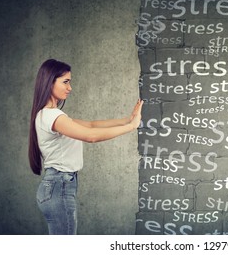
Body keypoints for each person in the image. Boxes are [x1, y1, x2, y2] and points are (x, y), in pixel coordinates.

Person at [28, 59, 143, 235]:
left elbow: (91, 125)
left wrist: (128, 119)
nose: (70, 88)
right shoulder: (52, 116)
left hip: (59, 186)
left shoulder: (51, 115)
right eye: (65, 82)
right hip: (59, 186)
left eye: (70, 82)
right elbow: (91, 136)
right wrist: (131, 127)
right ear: (49, 82)